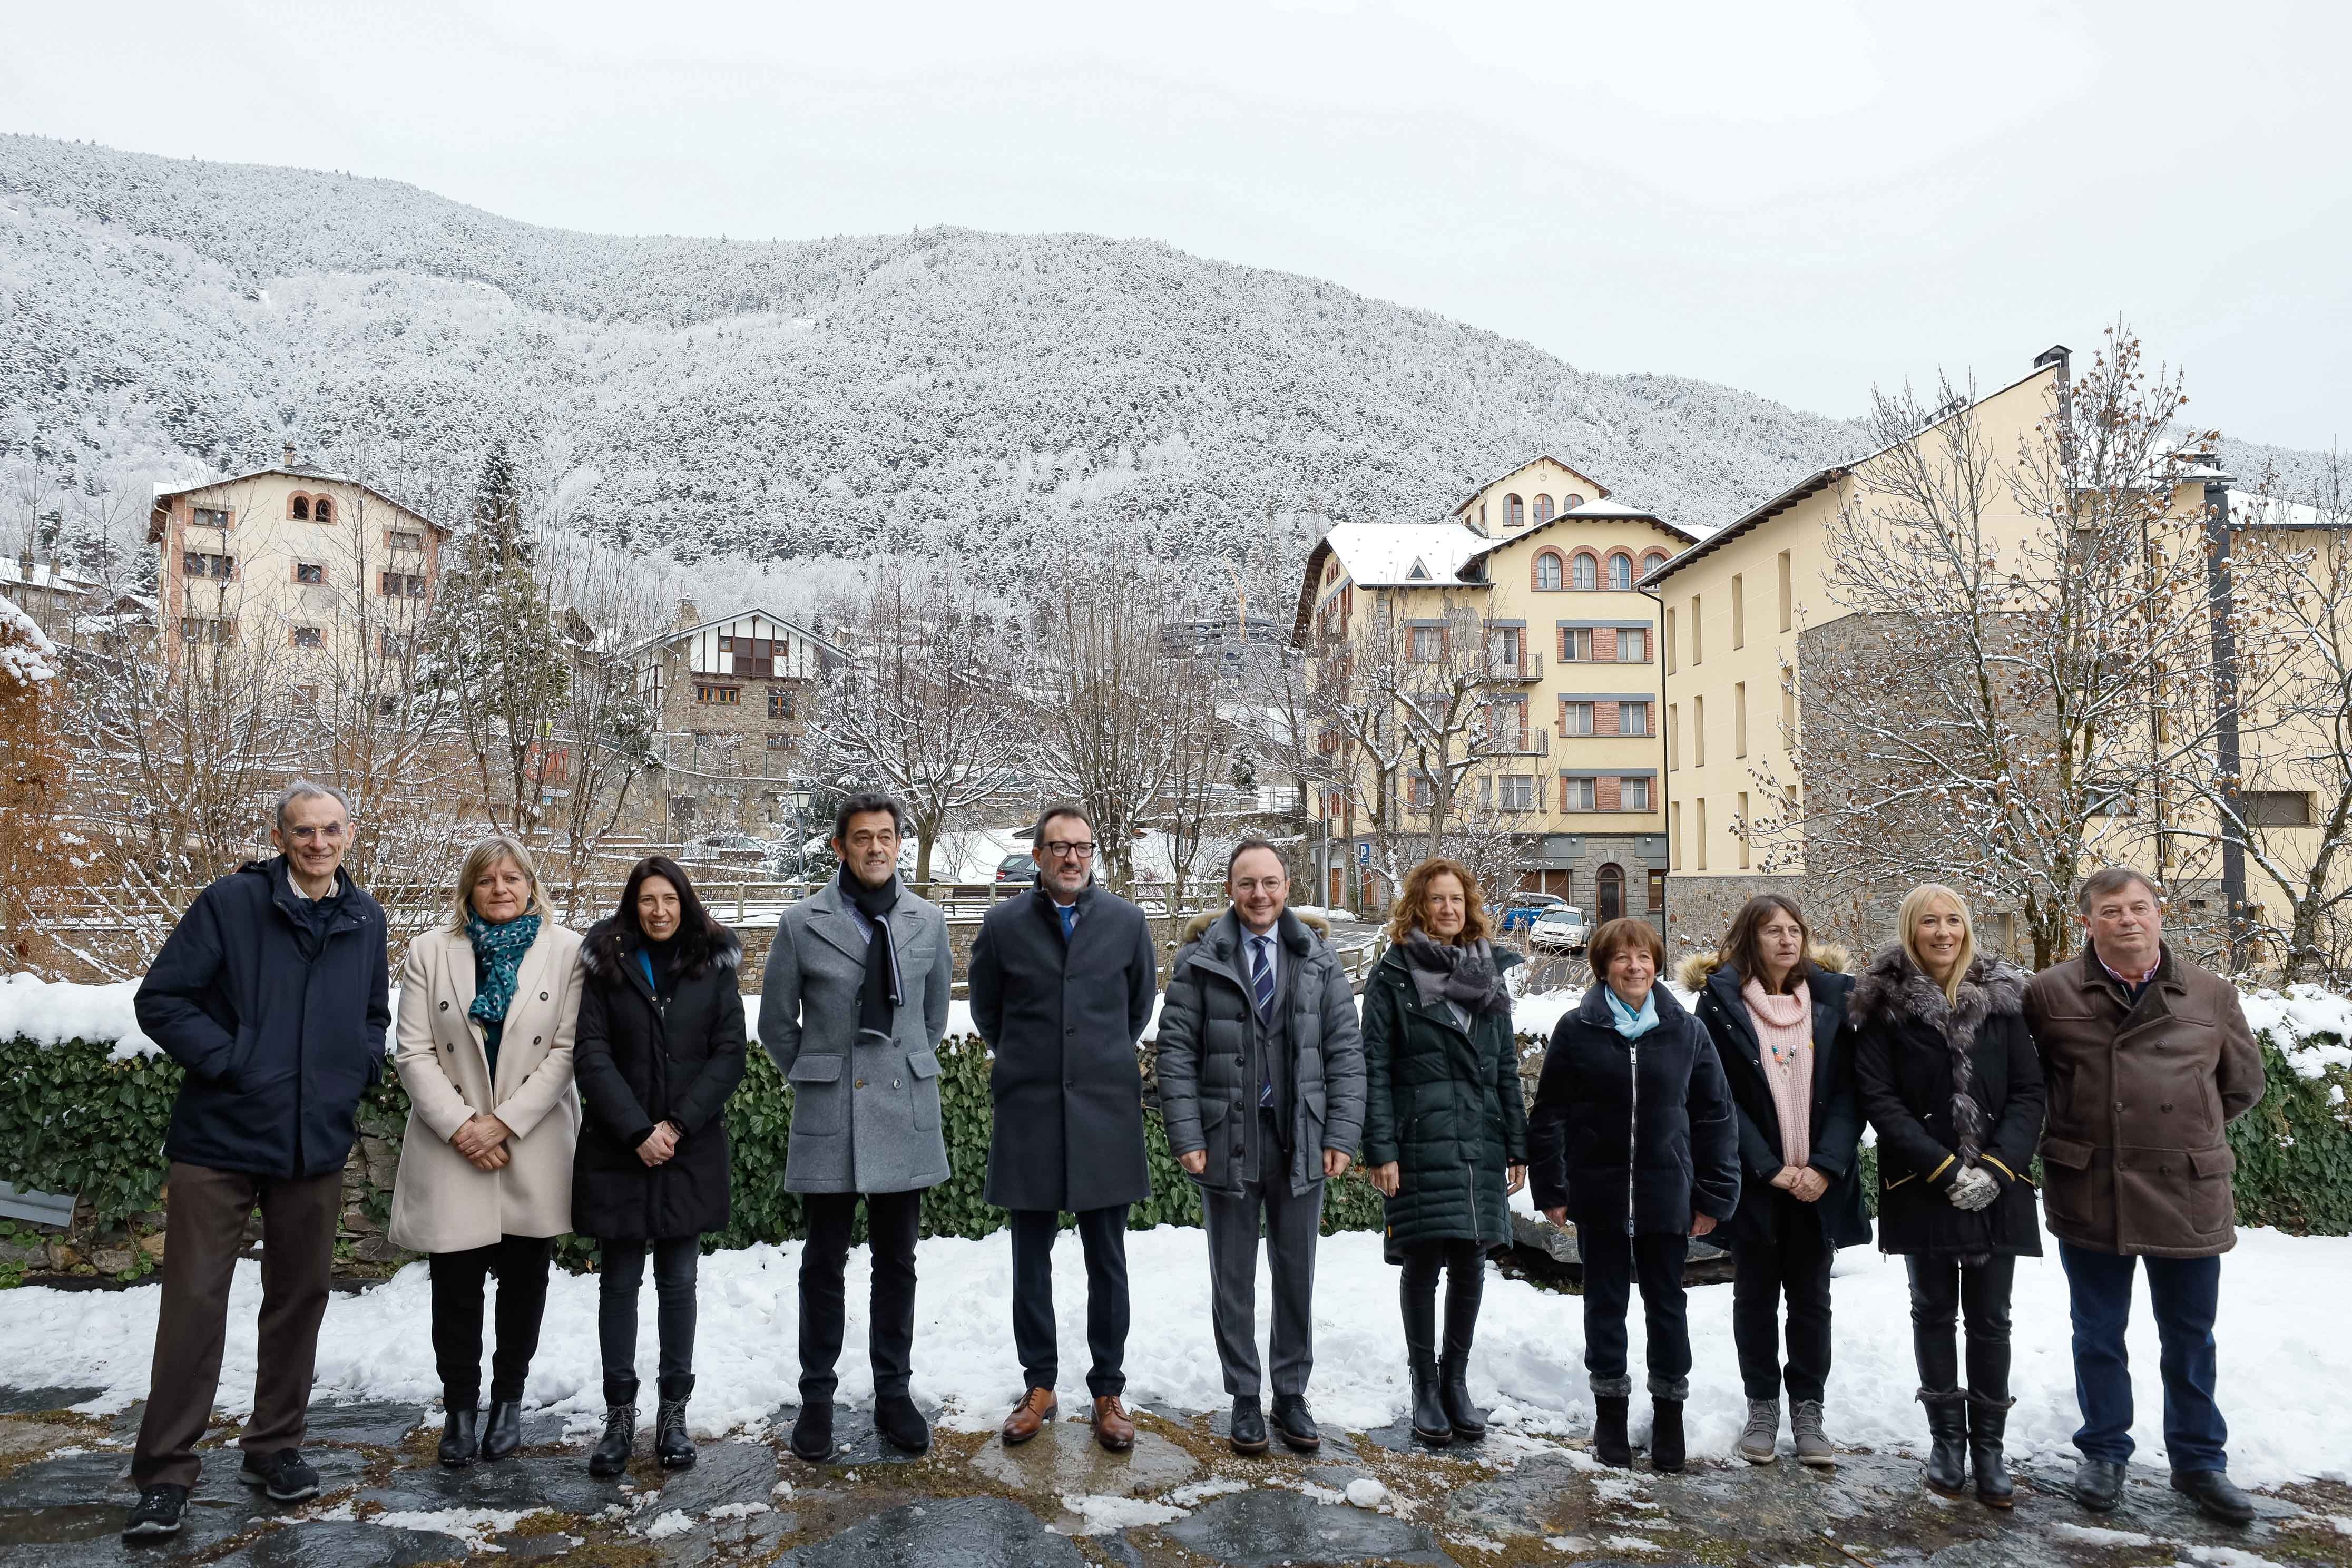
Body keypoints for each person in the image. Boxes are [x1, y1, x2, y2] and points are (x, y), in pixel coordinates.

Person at [122, 781, 391, 1541]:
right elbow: (163, 1000)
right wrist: (236, 1063)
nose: (318, 843)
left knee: (299, 1300)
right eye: (303, 831)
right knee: (193, 1307)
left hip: (314, 1144)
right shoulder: (229, 905)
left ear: (349, 834)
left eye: (331, 829)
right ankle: (166, 1475)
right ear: (281, 837)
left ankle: (274, 1450)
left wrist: (356, 1071)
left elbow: (374, 1015)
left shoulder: (366, 917)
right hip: (221, 1141)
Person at [2024, 868, 2266, 1525]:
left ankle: (2199, 1463)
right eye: (2112, 911)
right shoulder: (2049, 994)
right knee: (2097, 1333)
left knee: (2190, 1336)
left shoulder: (2212, 993)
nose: (2128, 920)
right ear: (2088, 922)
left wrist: (2182, 1131)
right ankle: (2104, 1452)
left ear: (2160, 915)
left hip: (2186, 1189)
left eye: (2139, 908)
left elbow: (2242, 1086)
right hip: (2091, 1184)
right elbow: (2029, 1086)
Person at [759, 791, 953, 1463]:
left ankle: (893, 1394)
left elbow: (931, 1019)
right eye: (862, 837)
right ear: (839, 846)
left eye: (887, 836)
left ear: (900, 843)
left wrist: (902, 1063)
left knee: (898, 1262)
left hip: (903, 1108)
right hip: (832, 1112)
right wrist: (820, 1074)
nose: (877, 847)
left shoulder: (928, 921)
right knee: (823, 1262)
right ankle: (817, 1397)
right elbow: (776, 1025)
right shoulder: (801, 922)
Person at [1158, 839, 1367, 1456]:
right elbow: (1175, 1054)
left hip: (1299, 1136)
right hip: (1228, 1137)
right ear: (1230, 889)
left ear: (1286, 888)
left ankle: (1292, 1394)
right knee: (1233, 1276)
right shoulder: (1200, 960)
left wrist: (1341, 1134)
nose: (1260, 895)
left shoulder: (1318, 959)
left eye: (1271, 883)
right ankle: (1246, 1397)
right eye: (1247, 883)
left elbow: (1346, 1054)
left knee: (1296, 1273)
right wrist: (1188, 1134)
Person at [388, 835, 584, 1467]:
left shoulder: (568, 951)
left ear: (532, 884)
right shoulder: (430, 952)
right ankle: (460, 1409)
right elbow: (413, 1051)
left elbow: (567, 1051)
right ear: (468, 890)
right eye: (487, 880)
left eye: (513, 878)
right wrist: (462, 1126)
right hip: (454, 1146)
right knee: (456, 1287)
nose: (501, 889)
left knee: (527, 1282)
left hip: (531, 1139)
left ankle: (508, 1403)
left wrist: (503, 1124)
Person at [968, 803, 1158, 1453]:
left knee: (1109, 1261)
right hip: (1031, 1115)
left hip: (1105, 1115)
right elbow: (989, 1012)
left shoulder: (1129, 924)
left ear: (1093, 853)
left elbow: (1135, 1011)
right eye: (1059, 848)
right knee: (1031, 1261)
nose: (1072, 858)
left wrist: (1092, 1061)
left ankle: (1109, 1389)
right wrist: (1035, 1063)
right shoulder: (1002, 926)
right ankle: (1040, 1385)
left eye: (1082, 846)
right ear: (1039, 856)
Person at [1850, 884, 2043, 1510]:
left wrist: (1994, 1167)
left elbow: (2028, 1093)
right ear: (1911, 929)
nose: (1942, 932)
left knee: (1991, 1319)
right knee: (1933, 1311)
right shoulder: (1881, 1005)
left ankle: (1990, 1448)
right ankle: (1946, 1443)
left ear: (1968, 927)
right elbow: (1879, 1099)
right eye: (1929, 922)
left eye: (1953, 921)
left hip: (1998, 1186)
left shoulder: (2005, 1001)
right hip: (1922, 1184)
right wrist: (1942, 1169)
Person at [1532, 916, 1739, 1472]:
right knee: (1605, 1305)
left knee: (1667, 1307)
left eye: (1644, 957)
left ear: (1657, 964)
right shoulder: (1577, 1029)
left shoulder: (1685, 1030)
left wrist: (1713, 1195)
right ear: (1603, 966)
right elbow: (1550, 1113)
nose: (1635, 967)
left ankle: (1669, 1417)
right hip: (1597, 1196)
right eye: (1622, 958)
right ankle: (1610, 1417)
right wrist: (1551, 1186)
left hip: (1666, 1196)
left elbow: (1715, 1116)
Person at [573, 856, 748, 1477]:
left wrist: (674, 1125)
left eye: (669, 899)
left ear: (685, 901)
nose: (659, 911)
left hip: (688, 1149)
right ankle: (619, 1416)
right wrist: (637, 1130)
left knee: (679, 1283)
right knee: (617, 1284)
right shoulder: (607, 968)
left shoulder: (712, 965)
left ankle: (673, 1416)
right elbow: (590, 1054)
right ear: (632, 905)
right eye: (647, 900)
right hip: (620, 1150)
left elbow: (729, 1055)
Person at [1684, 895, 1870, 1467]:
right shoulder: (1718, 1004)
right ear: (1749, 939)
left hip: (1819, 1183)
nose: (1788, 940)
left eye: (1796, 930)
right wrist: (1769, 1167)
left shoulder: (1837, 997)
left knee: (1813, 1300)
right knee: (1756, 1298)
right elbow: (1715, 1095)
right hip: (1758, 1181)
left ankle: (1809, 1411)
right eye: (1773, 932)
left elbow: (1853, 1090)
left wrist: (1824, 1166)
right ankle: (1762, 1408)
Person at [1359, 858, 1526, 1450]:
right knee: (1424, 1261)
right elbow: (1372, 1067)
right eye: (1437, 900)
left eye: (1457, 899)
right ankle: (1424, 1386)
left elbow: (1505, 1064)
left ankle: (1456, 1383)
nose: (1448, 909)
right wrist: (1380, 1147)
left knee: (1470, 1260)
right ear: (1418, 907)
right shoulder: (1394, 976)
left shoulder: (1487, 972)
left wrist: (1516, 1141)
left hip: (1479, 1137)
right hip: (1418, 1138)